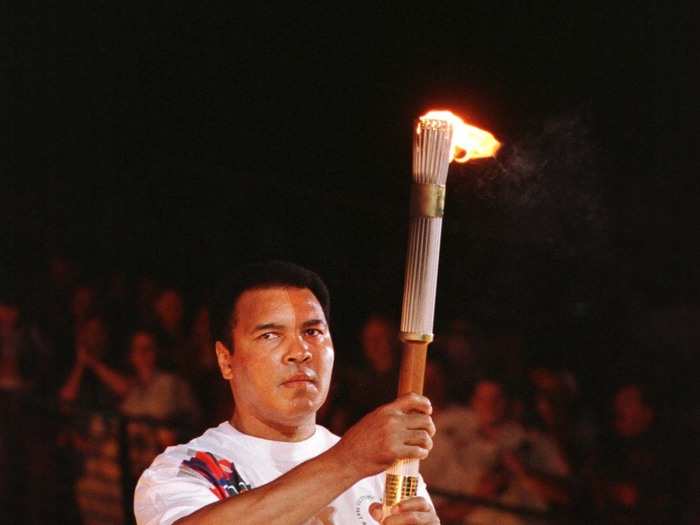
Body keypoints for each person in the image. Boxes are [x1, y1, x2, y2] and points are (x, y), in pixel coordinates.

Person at [134, 261, 439, 524]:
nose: (300, 351)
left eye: (313, 332)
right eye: (270, 335)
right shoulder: (187, 468)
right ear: (226, 360)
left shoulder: (386, 473)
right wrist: (349, 461)